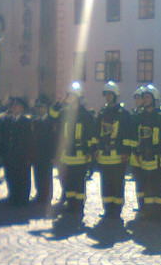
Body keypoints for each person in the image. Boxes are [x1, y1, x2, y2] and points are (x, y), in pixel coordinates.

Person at [51, 82, 97, 217]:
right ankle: (71, 204)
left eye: (70, 95)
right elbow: (53, 119)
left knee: (79, 182)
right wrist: (58, 103)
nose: (68, 97)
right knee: (68, 181)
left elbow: (91, 135)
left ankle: (78, 206)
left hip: (81, 154)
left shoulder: (86, 115)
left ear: (77, 97)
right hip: (66, 155)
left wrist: (90, 151)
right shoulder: (64, 112)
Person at [129, 84, 161, 221]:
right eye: (144, 97)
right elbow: (135, 136)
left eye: (147, 97)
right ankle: (147, 211)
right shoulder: (139, 116)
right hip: (142, 157)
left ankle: (158, 212)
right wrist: (135, 151)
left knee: (158, 186)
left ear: (154, 99)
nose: (145, 100)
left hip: (158, 157)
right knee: (145, 185)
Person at [95, 81, 132, 222]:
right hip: (104, 156)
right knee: (105, 183)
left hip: (117, 156)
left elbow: (127, 135)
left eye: (110, 95)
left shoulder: (123, 114)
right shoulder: (102, 112)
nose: (108, 97)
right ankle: (107, 209)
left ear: (115, 96)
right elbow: (97, 132)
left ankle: (116, 210)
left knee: (117, 183)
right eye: (107, 95)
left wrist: (124, 152)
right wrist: (96, 149)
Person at [1, 97, 34, 207]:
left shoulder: (26, 121)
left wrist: (28, 156)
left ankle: (23, 198)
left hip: (22, 155)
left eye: (17, 106)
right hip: (10, 154)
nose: (14, 108)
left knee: (23, 177)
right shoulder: (8, 120)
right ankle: (13, 196)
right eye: (13, 106)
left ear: (22, 108)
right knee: (10, 175)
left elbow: (30, 140)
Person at [32, 95, 56, 210]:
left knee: (46, 176)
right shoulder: (36, 121)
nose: (40, 109)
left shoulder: (51, 121)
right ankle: (39, 195)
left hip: (47, 154)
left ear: (46, 108)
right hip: (37, 154)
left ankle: (47, 196)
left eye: (42, 107)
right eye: (38, 107)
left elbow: (53, 140)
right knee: (37, 175)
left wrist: (53, 156)